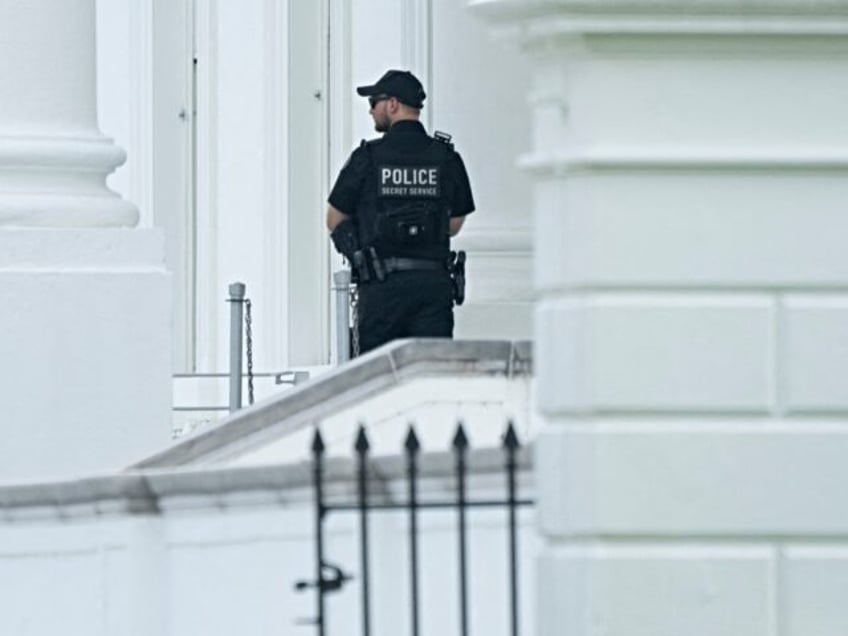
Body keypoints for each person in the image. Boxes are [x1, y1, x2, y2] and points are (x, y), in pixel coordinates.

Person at [327, 69, 475, 355]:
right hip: (432, 288)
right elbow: (455, 223)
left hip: (381, 289)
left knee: (378, 380)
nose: (371, 110)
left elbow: (334, 220)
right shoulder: (446, 157)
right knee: (432, 377)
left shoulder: (367, 157)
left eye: (374, 102)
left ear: (392, 105)